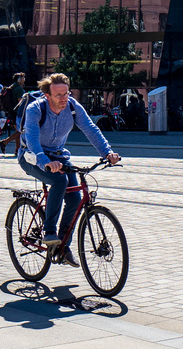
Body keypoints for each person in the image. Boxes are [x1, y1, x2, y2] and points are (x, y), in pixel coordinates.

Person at [18, 72, 121, 249]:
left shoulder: (72, 106)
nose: (64, 98)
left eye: (66, 93)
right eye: (58, 95)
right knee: (60, 181)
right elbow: (33, 140)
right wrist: (45, 162)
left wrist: (107, 152)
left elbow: (91, 129)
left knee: (74, 198)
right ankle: (50, 231)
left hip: (59, 156)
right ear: (47, 95)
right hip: (32, 156)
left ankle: (63, 245)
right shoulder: (35, 109)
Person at [0, 72, 27, 155]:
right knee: (20, 131)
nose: (24, 79)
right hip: (17, 112)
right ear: (19, 80)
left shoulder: (12, 86)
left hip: (12, 112)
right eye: (23, 78)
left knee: (18, 131)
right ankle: (4, 142)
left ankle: (17, 150)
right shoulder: (18, 88)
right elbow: (20, 101)